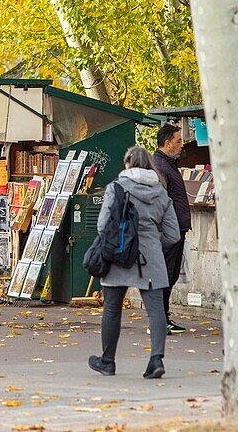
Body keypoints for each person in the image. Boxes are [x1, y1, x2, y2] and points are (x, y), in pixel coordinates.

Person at [89, 146, 180, 379]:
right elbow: (173, 234)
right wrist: (151, 240)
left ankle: (107, 361)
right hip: (150, 257)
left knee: (112, 309)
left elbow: (102, 226)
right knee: (155, 310)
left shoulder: (116, 188)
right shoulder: (160, 192)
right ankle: (156, 360)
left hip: (119, 253)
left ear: (128, 163)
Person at [151, 122, 191, 335]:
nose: (181, 145)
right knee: (164, 274)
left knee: (171, 274)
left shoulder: (168, 164)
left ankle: (163, 317)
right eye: (178, 141)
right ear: (167, 144)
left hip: (175, 228)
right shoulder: (159, 166)